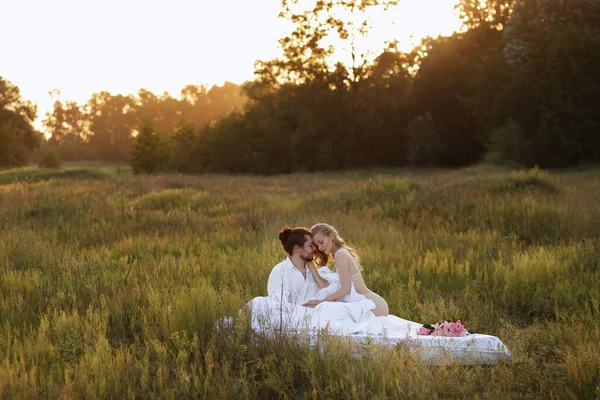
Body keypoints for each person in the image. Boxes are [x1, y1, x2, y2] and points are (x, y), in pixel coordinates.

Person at [307, 223, 390, 316]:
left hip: (372, 305)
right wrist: (310, 265)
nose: (320, 248)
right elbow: (328, 285)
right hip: (370, 303)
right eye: (317, 245)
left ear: (331, 236)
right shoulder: (339, 253)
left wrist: (322, 301)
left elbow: (346, 289)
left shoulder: (340, 254)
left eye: (321, 242)